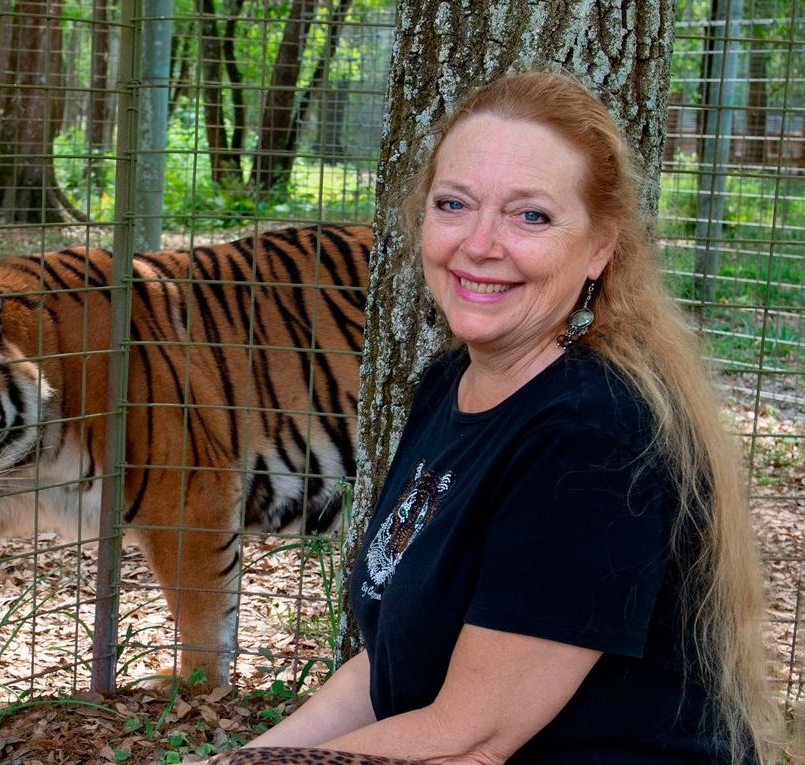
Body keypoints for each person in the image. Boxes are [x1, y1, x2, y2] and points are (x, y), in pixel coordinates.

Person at [211, 71, 783, 764]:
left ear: (600, 246)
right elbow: (384, 670)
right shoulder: (452, 382)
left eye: (529, 216)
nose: (479, 244)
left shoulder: (594, 436)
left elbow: (469, 739)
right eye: (454, 204)